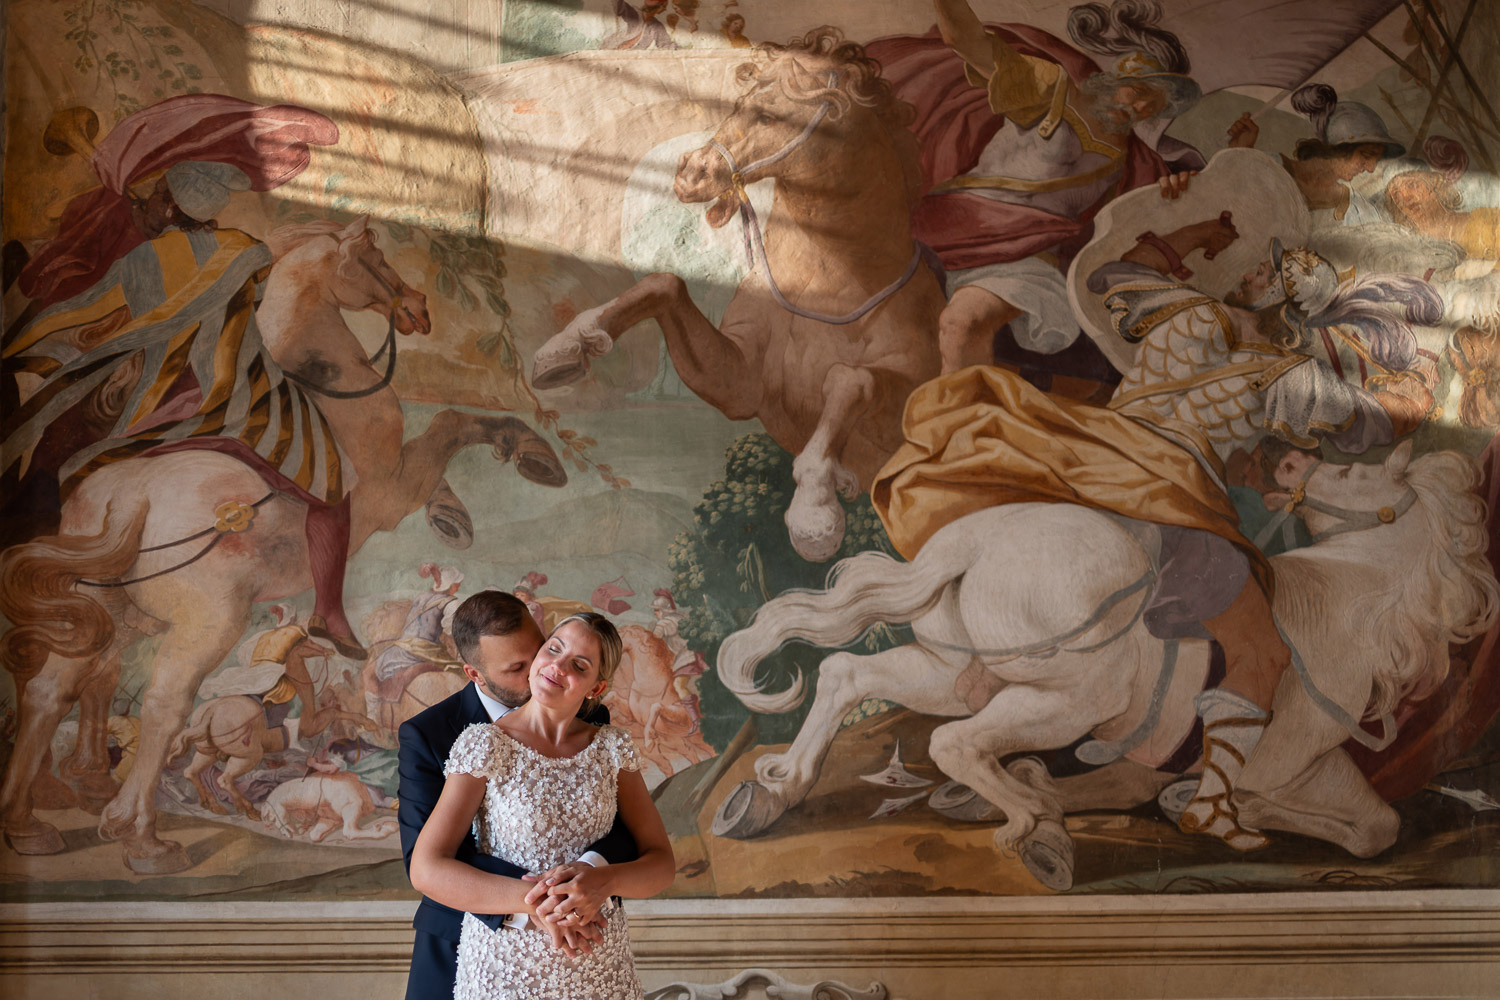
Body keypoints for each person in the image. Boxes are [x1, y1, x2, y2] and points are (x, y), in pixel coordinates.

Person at [873, 211, 1442, 851]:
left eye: (1270, 269)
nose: (1258, 272)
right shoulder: (1283, 374)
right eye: (1269, 268)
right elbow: (1370, 429)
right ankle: (1217, 799)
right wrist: (1392, 364)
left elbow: (1115, 275)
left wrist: (1193, 235)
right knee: (1261, 651)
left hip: (1085, 464)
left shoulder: (1184, 313)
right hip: (1168, 493)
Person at [866, 0, 1205, 386]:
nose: (1141, 107)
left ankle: (957, 419)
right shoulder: (1052, 89)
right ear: (1115, 80)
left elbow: (1151, 221)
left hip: (1021, 261)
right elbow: (965, 40)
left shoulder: (1137, 162)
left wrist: (1175, 192)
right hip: (947, 227)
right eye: (1139, 92)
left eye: (1152, 106)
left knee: (964, 322)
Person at [409, 611, 674, 1000]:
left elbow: (662, 863)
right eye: (554, 649)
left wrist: (605, 881)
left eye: (579, 665)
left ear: (596, 687)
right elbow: (427, 869)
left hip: (600, 968)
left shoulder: (612, 748)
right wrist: (543, 904)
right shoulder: (484, 744)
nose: (558, 666)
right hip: (504, 970)